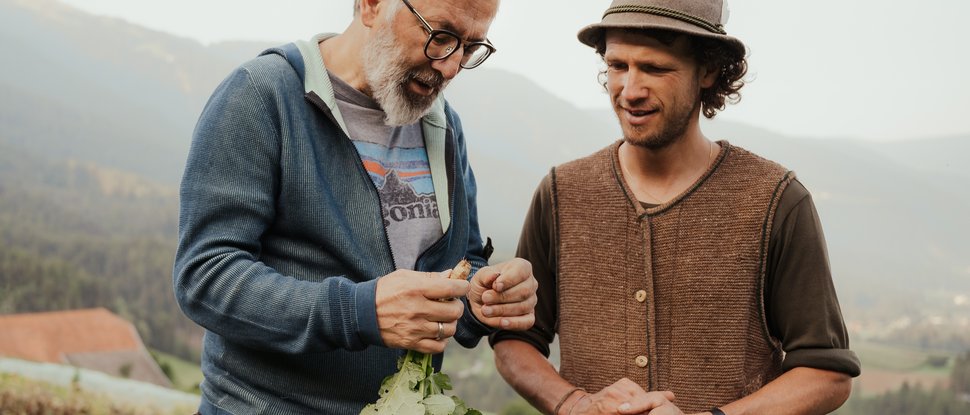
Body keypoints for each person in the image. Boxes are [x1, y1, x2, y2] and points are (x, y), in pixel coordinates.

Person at [490, 1, 861, 414]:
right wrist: (573, 404)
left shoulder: (776, 201)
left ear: (708, 70)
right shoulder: (562, 192)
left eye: (654, 68)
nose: (630, 90)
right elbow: (515, 339)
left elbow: (828, 374)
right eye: (618, 66)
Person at [173, 0, 537, 413]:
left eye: (470, 49)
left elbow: (463, 261)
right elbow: (205, 277)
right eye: (441, 37)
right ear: (371, 6)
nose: (451, 67)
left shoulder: (444, 125)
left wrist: (485, 296)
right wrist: (360, 312)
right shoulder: (261, 95)